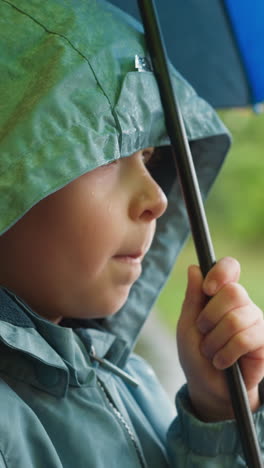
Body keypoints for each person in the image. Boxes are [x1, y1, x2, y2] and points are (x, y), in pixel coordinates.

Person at [0, 0, 263, 466]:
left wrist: (217, 415)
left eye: (148, 157)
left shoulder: (129, 378)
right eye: (106, 154)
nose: (157, 199)